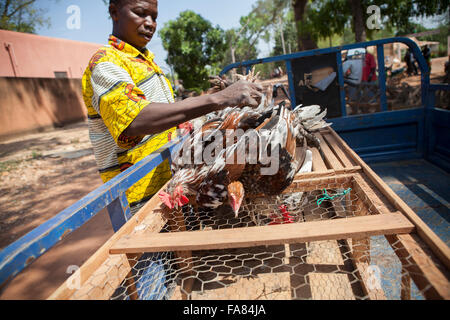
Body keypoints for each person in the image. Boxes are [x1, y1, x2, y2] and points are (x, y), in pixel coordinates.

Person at [82, 0, 263, 215]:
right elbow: (137, 120)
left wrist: (218, 100)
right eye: (140, 13)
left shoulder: (147, 62)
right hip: (137, 201)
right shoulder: (105, 63)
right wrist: (222, 98)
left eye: (154, 17)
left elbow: (172, 116)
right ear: (114, 12)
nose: (150, 23)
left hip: (172, 185)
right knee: (153, 250)